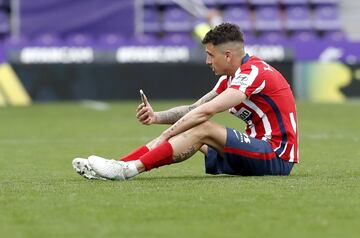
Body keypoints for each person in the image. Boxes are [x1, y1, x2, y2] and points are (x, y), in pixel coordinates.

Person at [72, 23, 299, 180]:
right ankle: (116, 165)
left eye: (210, 54)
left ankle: (128, 169)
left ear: (227, 55)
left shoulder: (253, 73)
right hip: (257, 152)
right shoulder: (232, 78)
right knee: (194, 128)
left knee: (201, 127)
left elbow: (205, 113)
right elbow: (194, 108)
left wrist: (166, 134)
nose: (207, 60)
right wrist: (157, 117)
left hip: (276, 156)